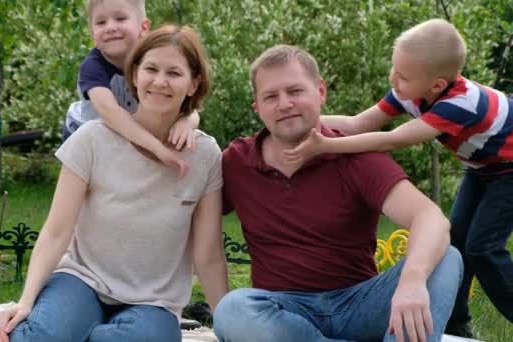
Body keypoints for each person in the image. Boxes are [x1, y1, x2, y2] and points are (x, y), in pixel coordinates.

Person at [0, 24, 229, 342]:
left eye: (174, 73)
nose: (160, 81)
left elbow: (208, 254)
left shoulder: (205, 154)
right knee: (45, 336)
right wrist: (25, 301)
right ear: (134, 75)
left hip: (153, 301)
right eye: (151, 69)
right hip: (82, 280)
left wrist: (227, 329)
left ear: (193, 84)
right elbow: (56, 231)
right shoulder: (92, 138)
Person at [212, 44, 463, 342]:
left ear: (320, 92)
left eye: (295, 91)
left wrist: (411, 282)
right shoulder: (237, 162)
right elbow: (185, 213)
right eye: (271, 96)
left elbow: (430, 218)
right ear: (257, 106)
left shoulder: (355, 155)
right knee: (232, 310)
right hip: (283, 312)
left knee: (445, 258)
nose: (284, 104)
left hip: (360, 305)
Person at [282, 18, 513, 337]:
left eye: (402, 76)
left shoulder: (459, 104)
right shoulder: (410, 90)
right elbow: (356, 123)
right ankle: (457, 325)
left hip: (509, 172)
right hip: (483, 167)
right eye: (394, 69)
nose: (393, 79)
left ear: (436, 84)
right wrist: (290, 121)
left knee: (482, 248)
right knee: (455, 244)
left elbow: (393, 139)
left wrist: (327, 146)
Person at [63, 0, 200, 177]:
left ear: (144, 27)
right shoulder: (92, 67)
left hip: (129, 130)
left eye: (120, 18)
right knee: (96, 186)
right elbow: (110, 113)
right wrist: (157, 147)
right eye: (101, 22)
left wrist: (187, 120)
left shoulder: (152, 61)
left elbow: (185, 104)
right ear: (92, 34)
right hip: (85, 130)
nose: (110, 27)